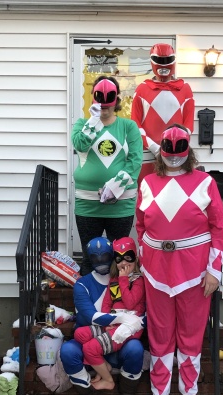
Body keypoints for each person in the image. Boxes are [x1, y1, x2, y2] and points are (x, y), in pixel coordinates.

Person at [135, 124, 223, 395]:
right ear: (161, 152)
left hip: (195, 273)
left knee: (190, 337)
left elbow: (218, 228)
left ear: (188, 151)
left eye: (179, 150)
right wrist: (145, 258)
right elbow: (141, 224)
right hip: (157, 272)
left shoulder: (205, 182)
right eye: (168, 150)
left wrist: (214, 270)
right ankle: (159, 394)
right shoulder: (147, 182)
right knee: (160, 337)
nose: (173, 156)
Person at [60, 237, 145, 395]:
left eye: (106, 255)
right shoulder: (83, 284)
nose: (101, 261)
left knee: (135, 349)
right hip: (95, 332)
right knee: (68, 350)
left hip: (120, 337)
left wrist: (135, 320)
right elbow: (92, 316)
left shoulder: (133, 279)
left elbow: (141, 309)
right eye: (95, 257)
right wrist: (125, 318)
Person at [72, 75, 143, 275]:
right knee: (89, 257)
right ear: (93, 97)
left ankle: (116, 304)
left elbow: (135, 161)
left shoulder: (129, 127)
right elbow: (79, 144)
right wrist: (93, 120)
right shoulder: (82, 124)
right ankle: (89, 303)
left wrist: (115, 186)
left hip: (120, 205)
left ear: (117, 98)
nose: (104, 103)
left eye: (109, 97)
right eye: (99, 97)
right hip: (88, 204)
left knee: (119, 258)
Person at [74, 236, 146, 391]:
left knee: (90, 349)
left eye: (129, 257)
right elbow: (107, 302)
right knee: (80, 334)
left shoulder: (138, 280)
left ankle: (108, 380)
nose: (124, 263)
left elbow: (130, 302)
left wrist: (124, 279)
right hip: (113, 323)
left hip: (128, 328)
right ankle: (104, 366)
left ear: (136, 258)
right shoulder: (114, 279)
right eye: (119, 259)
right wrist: (107, 323)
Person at [131, 43, 195, 185]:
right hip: (148, 153)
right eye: (159, 60)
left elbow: (189, 125)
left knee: (179, 191)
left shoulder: (185, 89)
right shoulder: (142, 89)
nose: (164, 65)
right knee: (147, 193)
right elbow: (135, 124)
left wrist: (176, 145)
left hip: (177, 152)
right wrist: (154, 148)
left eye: (167, 61)